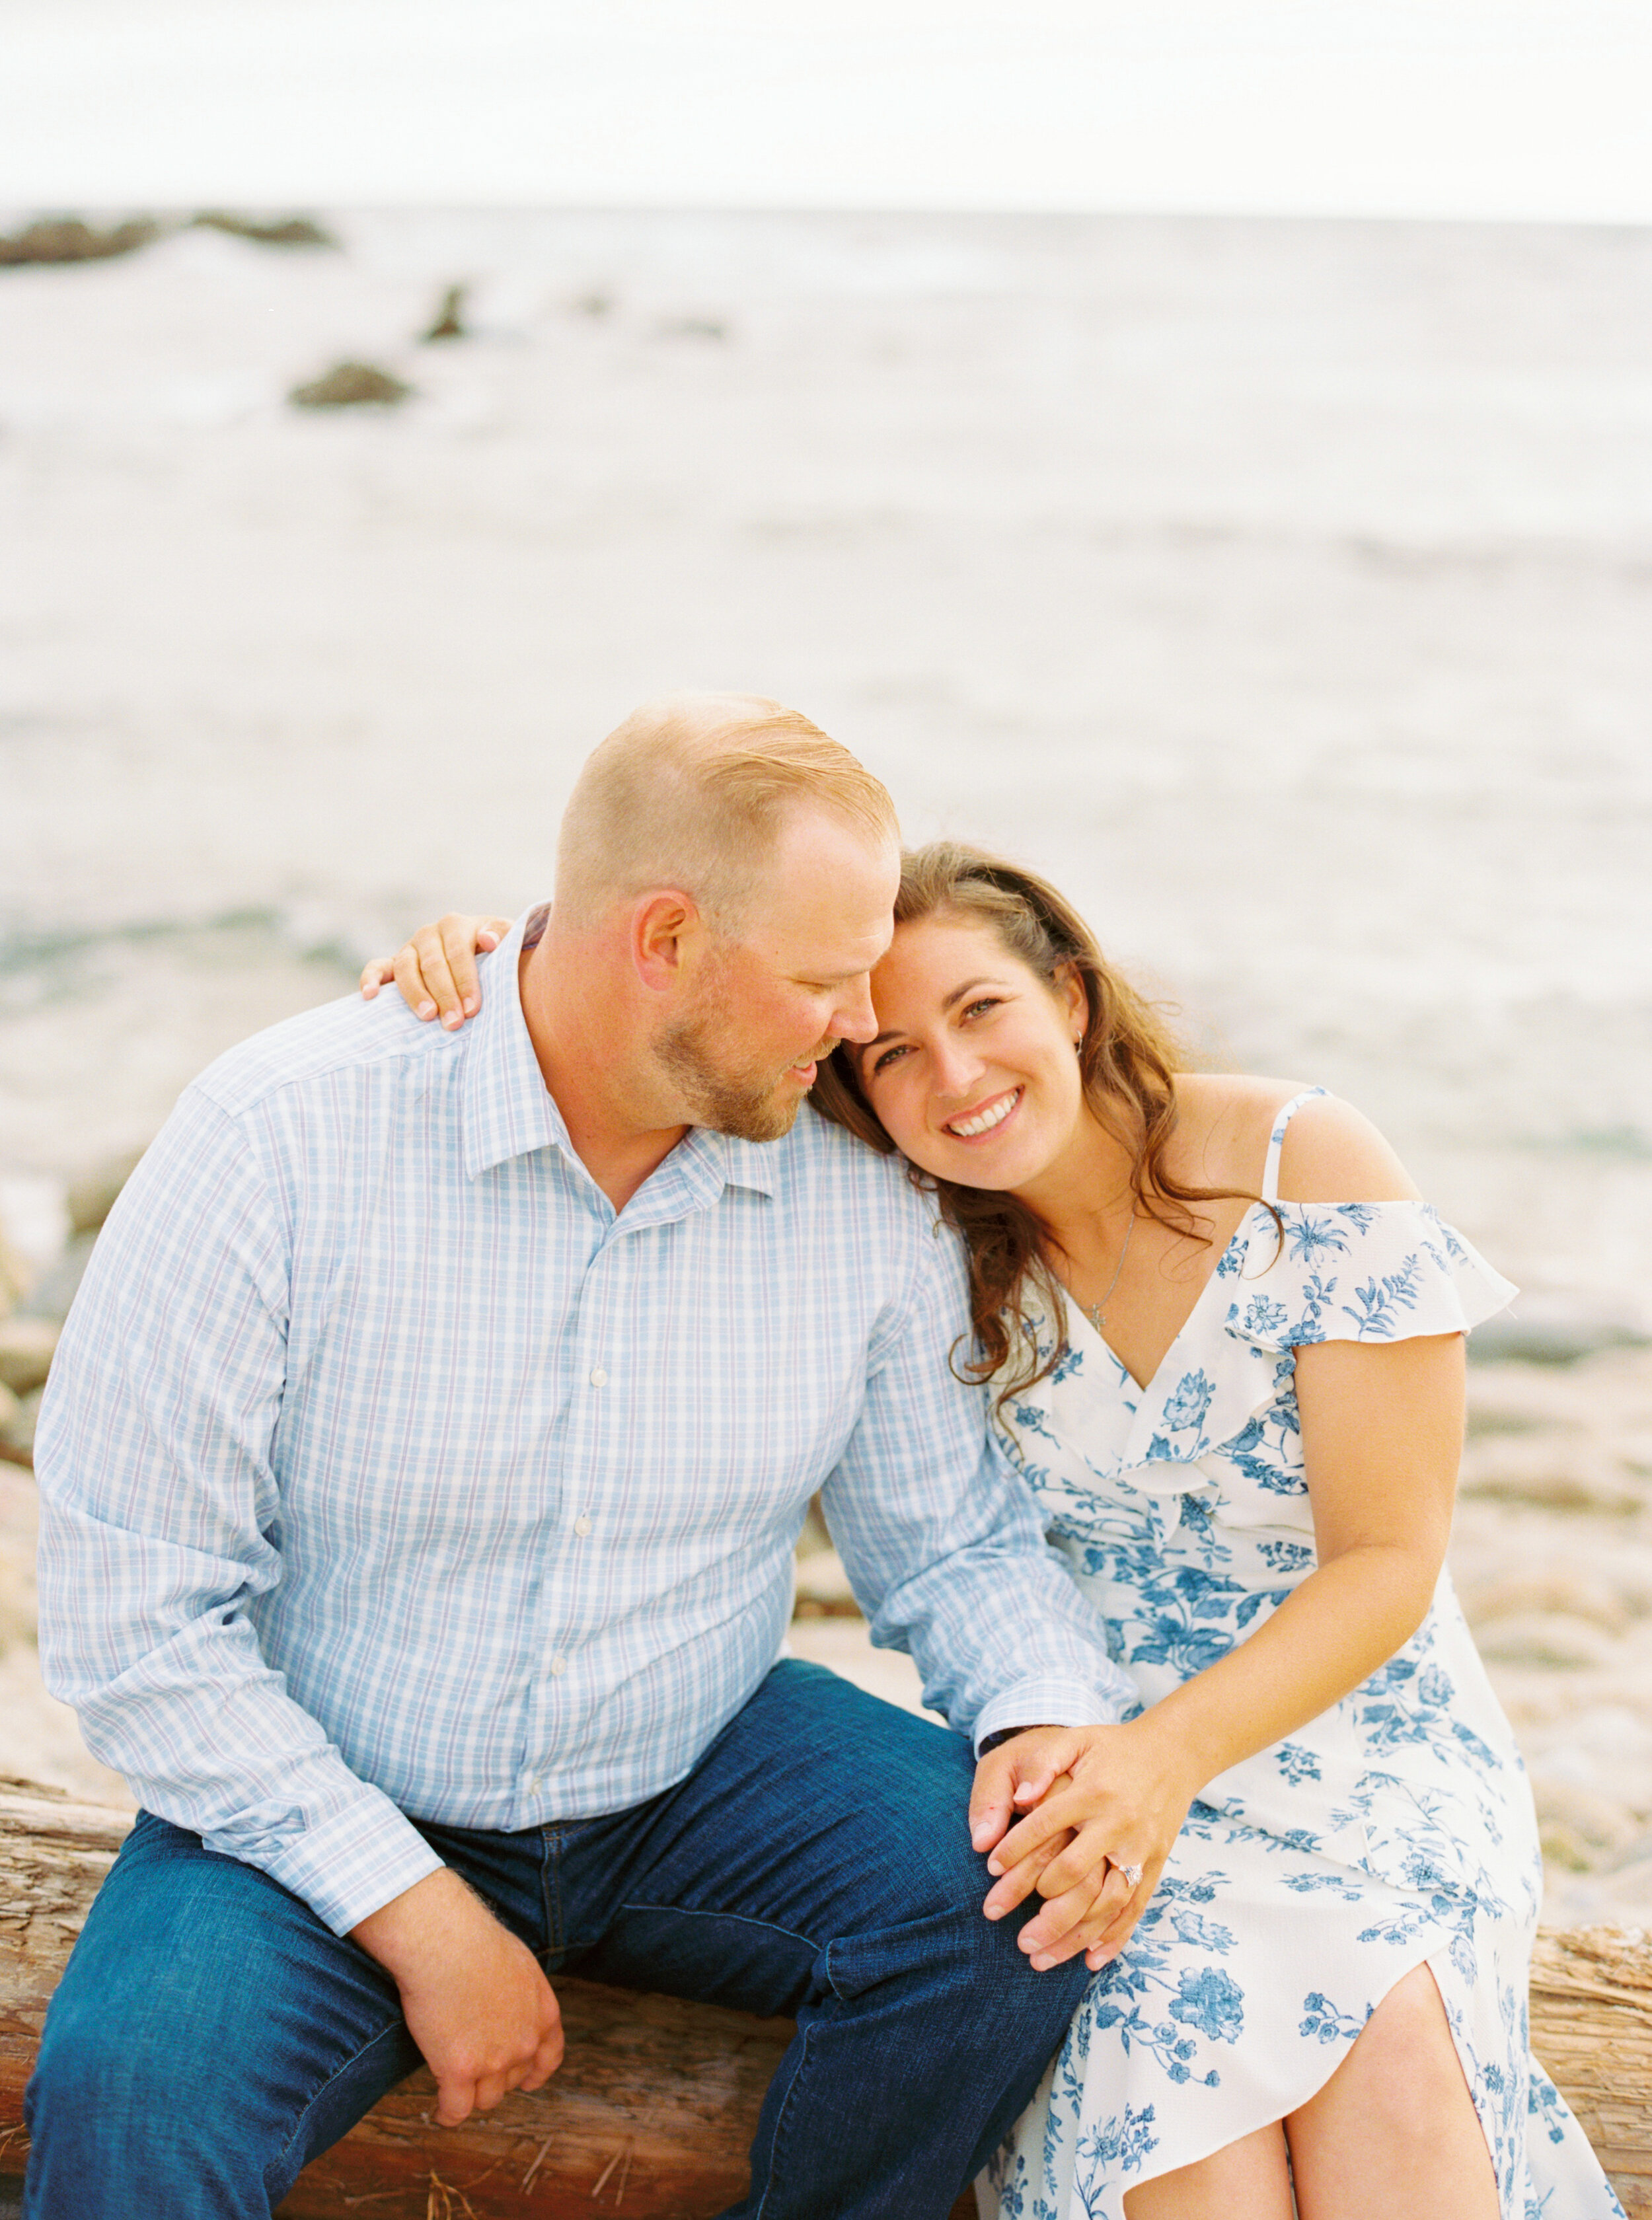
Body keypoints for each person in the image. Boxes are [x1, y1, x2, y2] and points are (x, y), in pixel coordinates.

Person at [25, 696, 1146, 2220]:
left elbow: (948, 1543)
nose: (852, 1029)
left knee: (1007, 1911)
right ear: (664, 940)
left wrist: (1038, 1723)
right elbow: (139, 1622)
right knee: (133, 2101)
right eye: (822, 980)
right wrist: (418, 1917)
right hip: (328, 1791)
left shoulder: (852, 1196)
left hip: (688, 1768)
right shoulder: (279, 1139)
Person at [385, 842, 1624, 2220]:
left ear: (1072, 998)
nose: (955, 1081)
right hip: (1075, 1744)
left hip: (1355, 1738)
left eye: (980, 1012)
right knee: (1171, 2097)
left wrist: (1161, 1762)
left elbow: (1386, 1564)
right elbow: (652, 1053)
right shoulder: (902, 1234)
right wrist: (502, 964)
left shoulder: (1297, 1163)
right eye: (894, 1056)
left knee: (1392, 2040)